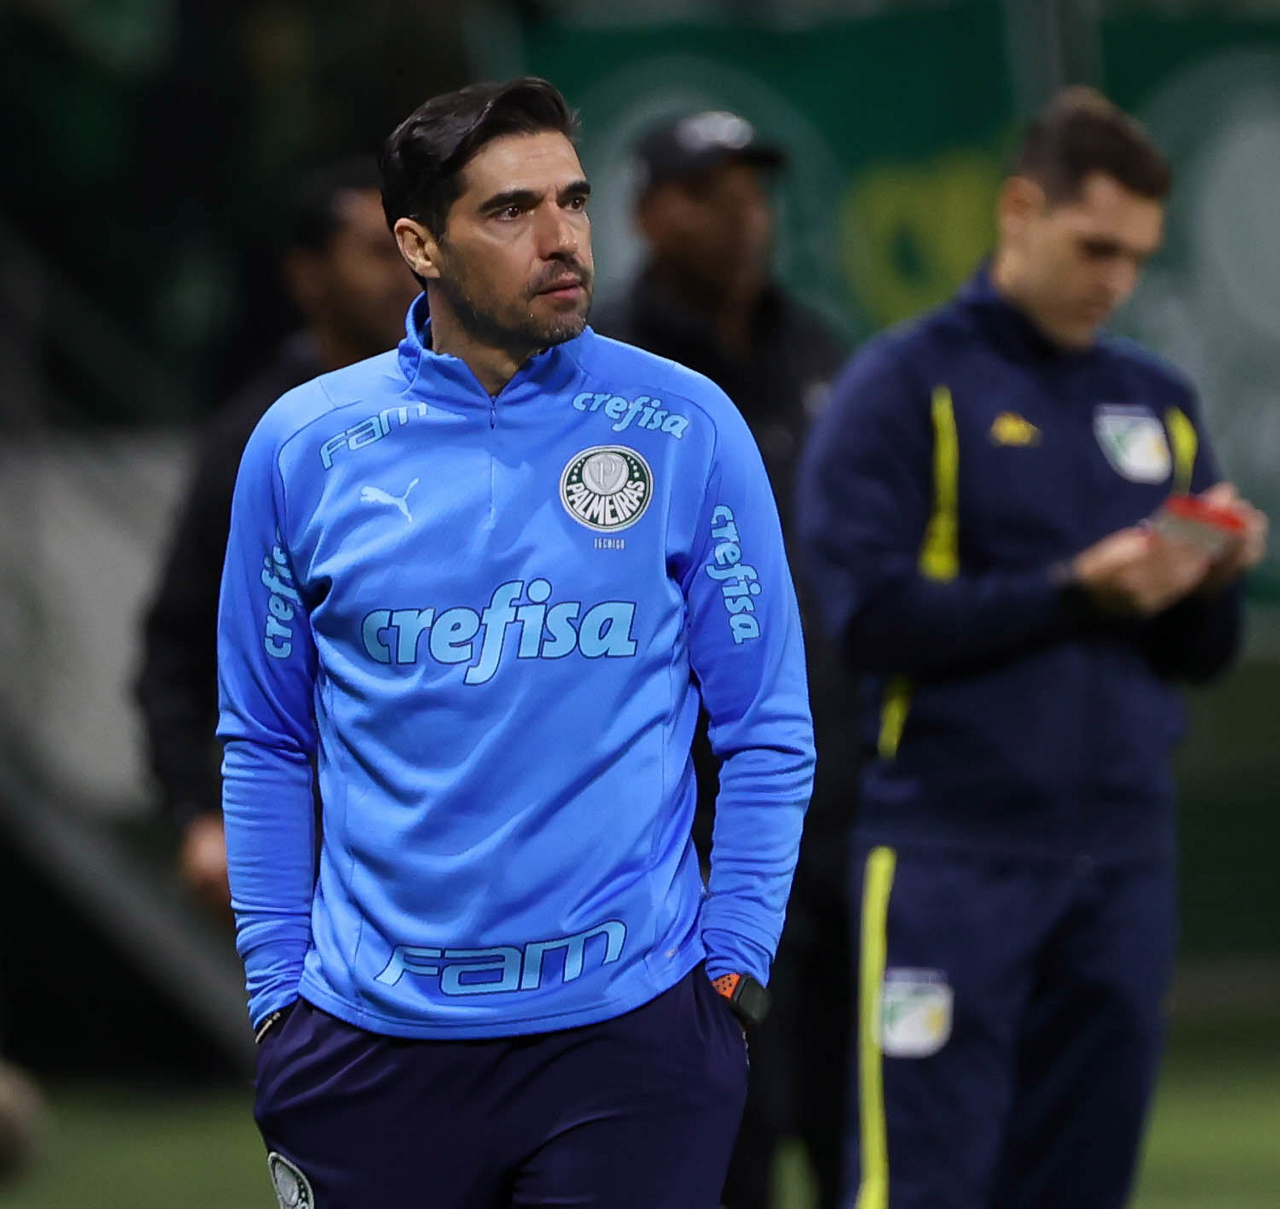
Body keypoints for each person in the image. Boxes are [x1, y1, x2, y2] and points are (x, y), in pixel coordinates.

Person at [217, 77, 814, 1209]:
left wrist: (732, 968)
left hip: (630, 1037)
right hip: (365, 1044)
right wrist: (277, 995)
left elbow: (766, 726)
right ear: (418, 246)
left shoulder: (685, 426)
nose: (561, 238)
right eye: (510, 210)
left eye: (572, 201)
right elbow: (264, 739)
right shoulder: (302, 447)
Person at [796, 88, 1267, 1209]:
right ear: (1019, 211)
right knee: (918, 1184)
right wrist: (1072, 590)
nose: (1116, 279)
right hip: (949, 857)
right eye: (1095, 246)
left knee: (1080, 1187)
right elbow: (864, 617)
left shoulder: (1154, 399)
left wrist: (1208, 580)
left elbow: (1198, 655)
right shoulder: (904, 385)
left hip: (1120, 859)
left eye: (1136, 255)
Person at [593, 110, 855, 1209]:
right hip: (681, 826)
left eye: (753, 193)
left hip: (832, 807)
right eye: (709, 194)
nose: (742, 217)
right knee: (717, 1129)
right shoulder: (602, 371)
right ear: (650, 213)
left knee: (858, 1122)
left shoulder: (818, 352)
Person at [136, 157, 418, 911]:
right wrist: (198, 813)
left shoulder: (466, 410)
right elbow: (178, 644)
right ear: (308, 276)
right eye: (374, 251)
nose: (401, 274)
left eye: (410, 247)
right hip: (319, 840)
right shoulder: (259, 441)